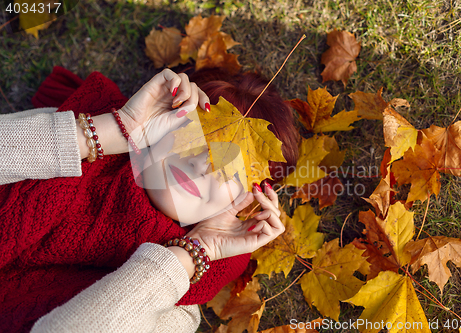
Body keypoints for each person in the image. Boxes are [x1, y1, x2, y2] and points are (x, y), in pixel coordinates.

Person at [0, 66, 299, 332]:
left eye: (232, 169)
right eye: (198, 136)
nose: (201, 165)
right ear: (165, 120)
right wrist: (108, 132)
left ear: (247, 201)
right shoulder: (69, 133)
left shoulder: (173, 304)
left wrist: (194, 252)